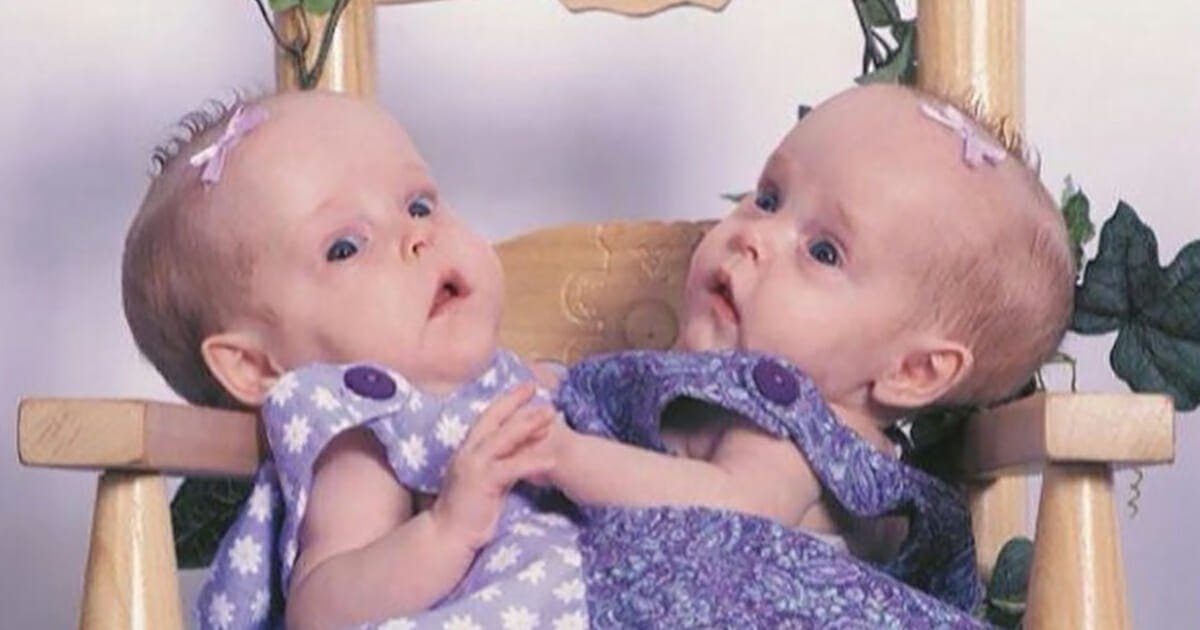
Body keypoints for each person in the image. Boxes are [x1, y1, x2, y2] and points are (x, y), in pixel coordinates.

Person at [539, 81, 1073, 603]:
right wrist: (542, 389)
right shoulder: (718, 385)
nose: (755, 236)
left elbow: (730, 509)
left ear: (912, 371)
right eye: (769, 199)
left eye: (823, 252)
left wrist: (563, 454)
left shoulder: (793, 430)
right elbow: (602, 415)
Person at [122, 90, 582, 630]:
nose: (416, 236)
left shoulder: (520, 383)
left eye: (418, 205)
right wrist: (447, 529)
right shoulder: (368, 437)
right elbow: (321, 612)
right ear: (256, 365)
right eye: (345, 248)